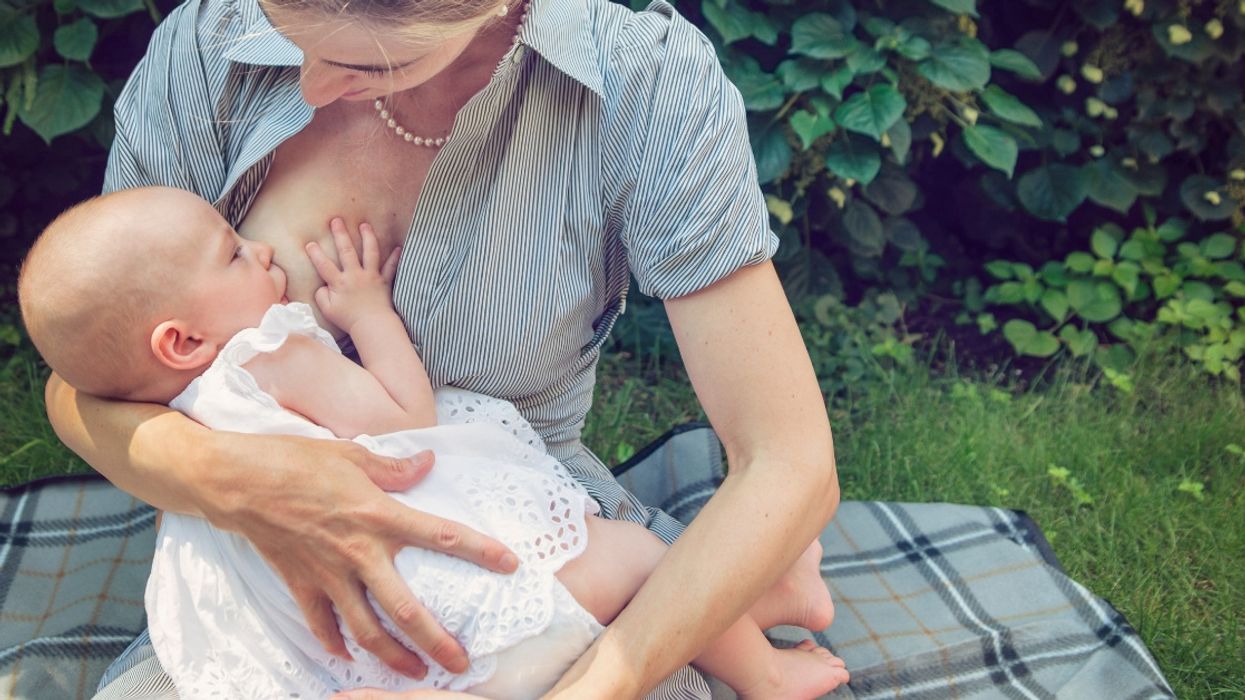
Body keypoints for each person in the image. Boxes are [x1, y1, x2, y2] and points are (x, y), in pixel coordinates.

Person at [43, 0, 842, 694]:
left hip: (518, 546)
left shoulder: (640, 86)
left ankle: (741, 584)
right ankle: (757, 584)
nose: (311, 87)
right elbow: (86, 383)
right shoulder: (207, 44)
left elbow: (787, 462)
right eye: (289, 36)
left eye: (363, 62)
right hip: (271, 593)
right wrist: (235, 478)